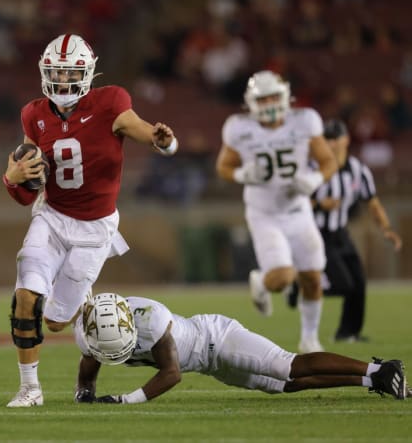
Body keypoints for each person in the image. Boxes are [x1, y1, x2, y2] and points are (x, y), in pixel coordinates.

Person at [2, 33, 178, 407]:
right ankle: (30, 389)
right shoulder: (33, 114)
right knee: (25, 296)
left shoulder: (111, 102)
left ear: (87, 74)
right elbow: (24, 190)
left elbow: (146, 131)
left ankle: (83, 301)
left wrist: (163, 141)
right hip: (50, 217)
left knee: (54, 320)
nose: (62, 81)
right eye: (56, 73)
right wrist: (11, 179)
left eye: (70, 74)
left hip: (95, 228)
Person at [73, 293, 407, 404]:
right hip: (209, 364)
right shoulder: (91, 329)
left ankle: (379, 369)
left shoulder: (152, 320)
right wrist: (84, 392)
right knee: (284, 386)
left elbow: (171, 373)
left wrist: (125, 400)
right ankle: (372, 382)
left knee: (285, 366)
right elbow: (89, 364)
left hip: (216, 337)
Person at [215, 70, 337, 353]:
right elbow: (224, 167)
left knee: (313, 277)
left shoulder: (305, 120)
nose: (269, 104)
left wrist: (315, 179)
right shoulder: (239, 127)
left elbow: (328, 160)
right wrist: (244, 174)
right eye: (262, 99)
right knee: (282, 279)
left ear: (285, 97)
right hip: (264, 213)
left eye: (273, 97)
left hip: (299, 210)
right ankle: (261, 280)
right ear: (251, 102)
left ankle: (309, 338)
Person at [287, 119, 403, 342]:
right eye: (326, 138)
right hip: (317, 234)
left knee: (358, 283)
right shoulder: (312, 168)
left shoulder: (358, 170)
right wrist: (321, 204)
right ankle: (300, 285)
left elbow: (373, 202)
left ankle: (348, 333)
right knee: (343, 284)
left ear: (346, 139)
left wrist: (386, 228)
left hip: (341, 233)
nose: (330, 143)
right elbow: (293, 202)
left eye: (334, 138)